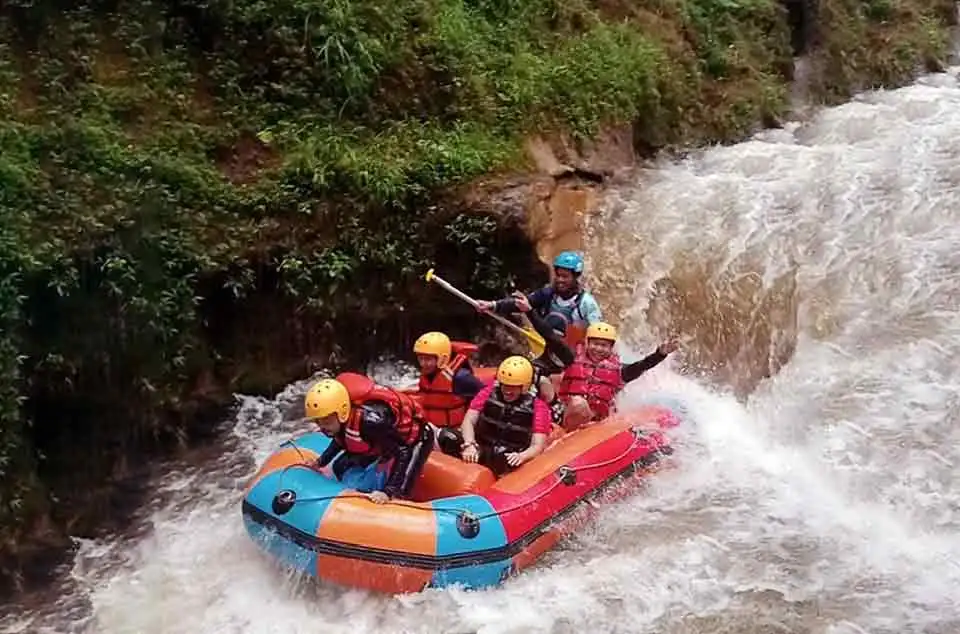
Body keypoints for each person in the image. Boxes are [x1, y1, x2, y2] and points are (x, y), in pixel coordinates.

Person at [305, 373, 433, 503]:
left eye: (326, 421)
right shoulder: (342, 420)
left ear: (342, 412)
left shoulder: (370, 422)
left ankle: (396, 500)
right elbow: (340, 440)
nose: (322, 427)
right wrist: (320, 462)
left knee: (401, 491)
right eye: (317, 421)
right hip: (384, 438)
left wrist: (388, 492)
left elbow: (403, 451)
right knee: (340, 466)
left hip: (415, 439)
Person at [436, 356, 552, 476]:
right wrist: (469, 444)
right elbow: (469, 420)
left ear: (524, 386)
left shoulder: (539, 407)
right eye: (504, 385)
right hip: (481, 447)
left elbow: (537, 445)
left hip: (510, 455)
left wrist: (522, 456)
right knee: (448, 436)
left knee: (502, 457)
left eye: (513, 387)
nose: (507, 390)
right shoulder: (487, 393)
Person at [559, 322, 678, 431]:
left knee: (580, 404)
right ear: (587, 343)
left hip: (595, 422)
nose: (599, 349)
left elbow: (642, 365)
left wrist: (660, 354)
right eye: (595, 344)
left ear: (611, 348)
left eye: (604, 345)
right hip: (567, 414)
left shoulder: (620, 371)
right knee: (577, 402)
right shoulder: (572, 360)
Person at [475, 251, 603, 349]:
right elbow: (522, 303)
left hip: (571, 354)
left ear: (576, 277)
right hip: (547, 348)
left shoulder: (587, 303)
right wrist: (492, 305)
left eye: (565, 277)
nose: (560, 280)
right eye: (558, 275)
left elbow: (598, 334)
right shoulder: (548, 293)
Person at [412, 331, 486, 428]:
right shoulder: (428, 373)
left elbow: (484, 395)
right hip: (432, 429)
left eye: (428, 359)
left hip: (455, 432)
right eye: (420, 359)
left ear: (443, 358)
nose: (423, 364)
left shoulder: (461, 377)